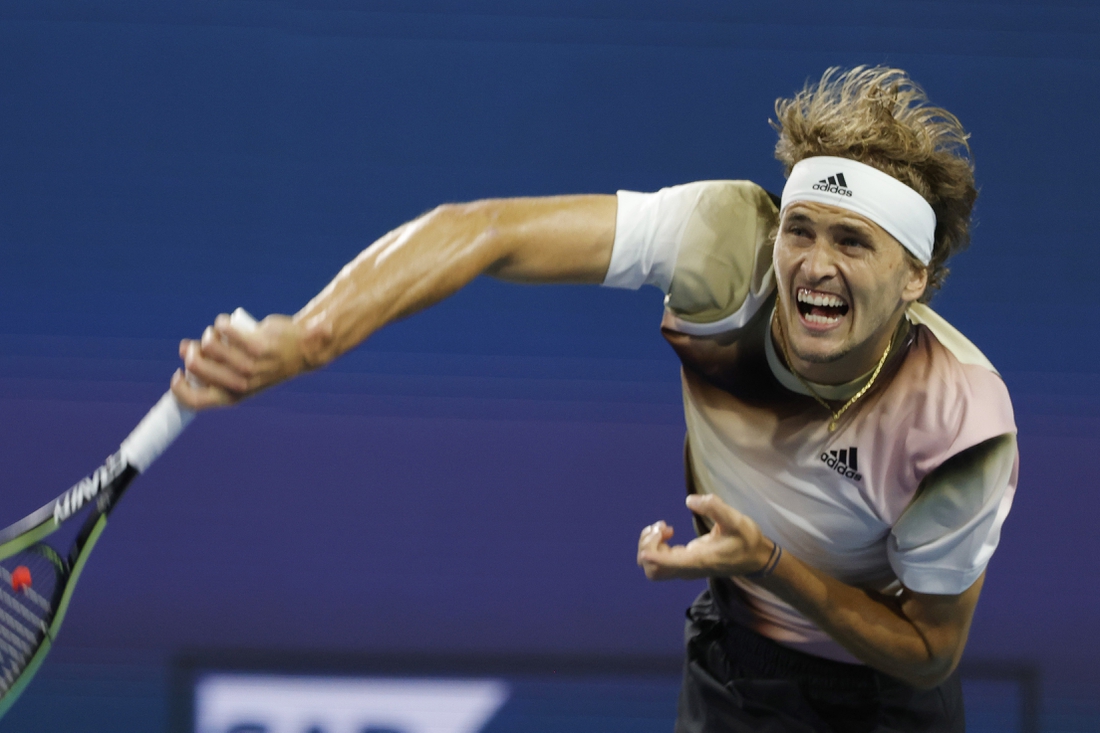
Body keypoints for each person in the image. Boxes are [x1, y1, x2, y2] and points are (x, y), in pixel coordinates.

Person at [172, 67, 1017, 732]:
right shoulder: (725, 243)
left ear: (918, 277)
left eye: (851, 242)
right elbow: (487, 229)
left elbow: (927, 651)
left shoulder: (959, 425)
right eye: (801, 229)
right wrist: (313, 336)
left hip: (885, 710)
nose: (813, 262)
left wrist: (766, 563)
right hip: (735, 673)